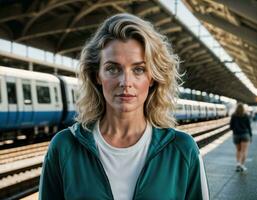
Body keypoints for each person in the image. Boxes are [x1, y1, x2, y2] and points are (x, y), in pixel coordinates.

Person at [39, 13, 209, 200]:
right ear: (97, 75)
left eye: (138, 69)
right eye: (112, 68)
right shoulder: (64, 147)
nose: (125, 81)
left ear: (152, 77)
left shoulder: (182, 149)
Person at [230, 103, 252, 172]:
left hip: (236, 135)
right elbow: (249, 127)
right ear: (243, 109)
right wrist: (250, 136)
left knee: (238, 150)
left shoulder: (233, 115)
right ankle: (242, 165)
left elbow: (231, 127)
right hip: (245, 135)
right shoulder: (246, 115)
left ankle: (238, 164)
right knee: (244, 151)